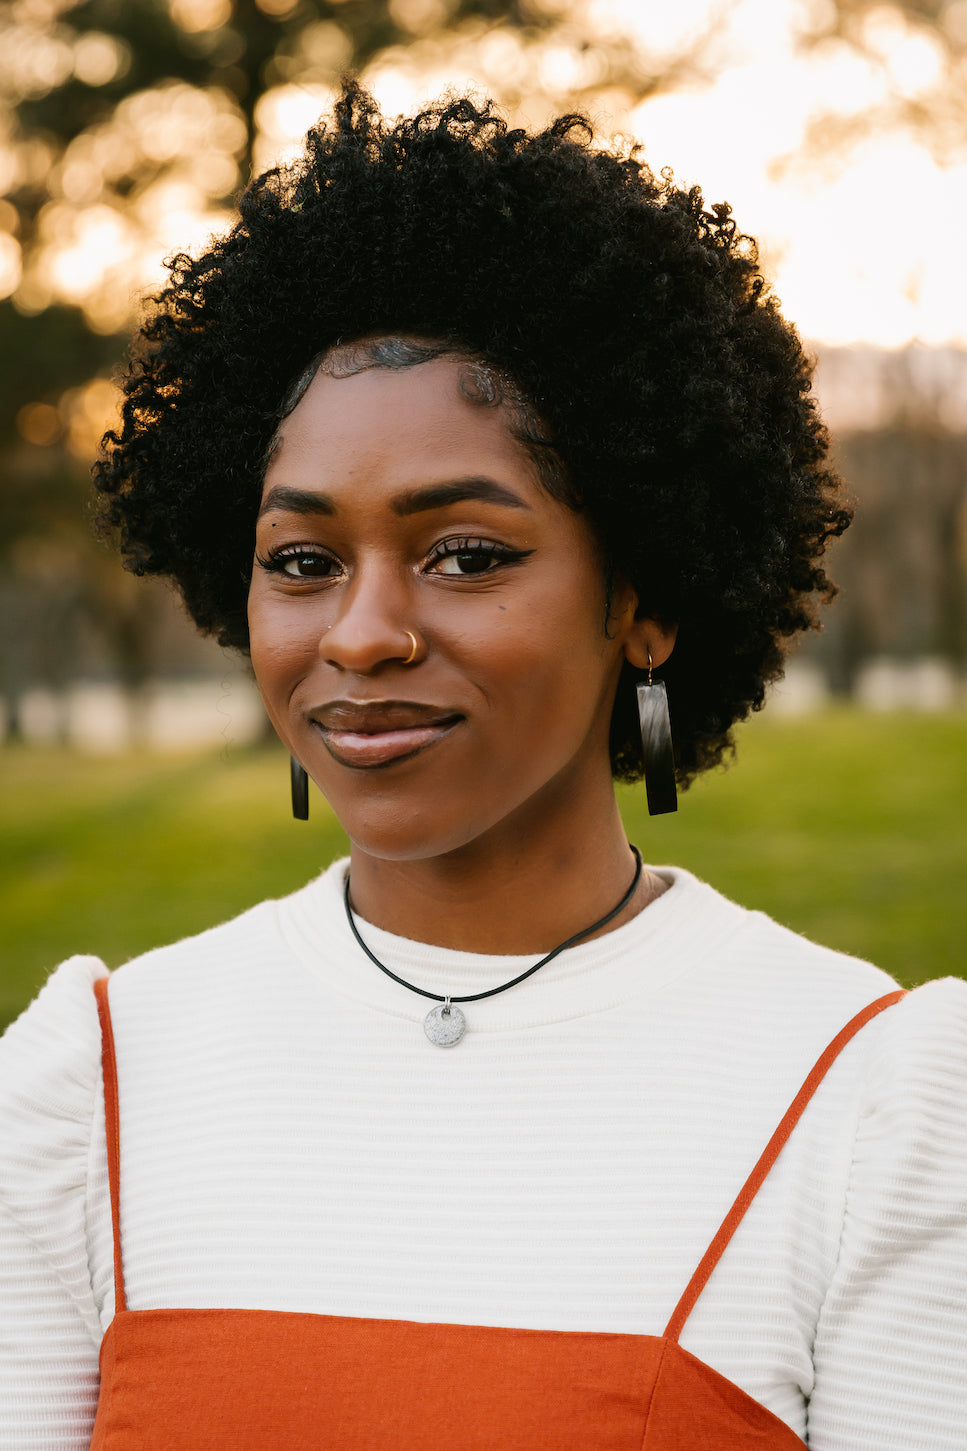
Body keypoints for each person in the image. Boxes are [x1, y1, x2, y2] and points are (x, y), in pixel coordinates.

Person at [1, 80, 965, 1449]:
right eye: (301, 561)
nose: (362, 633)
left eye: (466, 555)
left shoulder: (872, 1099)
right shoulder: (90, 1084)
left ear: (645, 601)